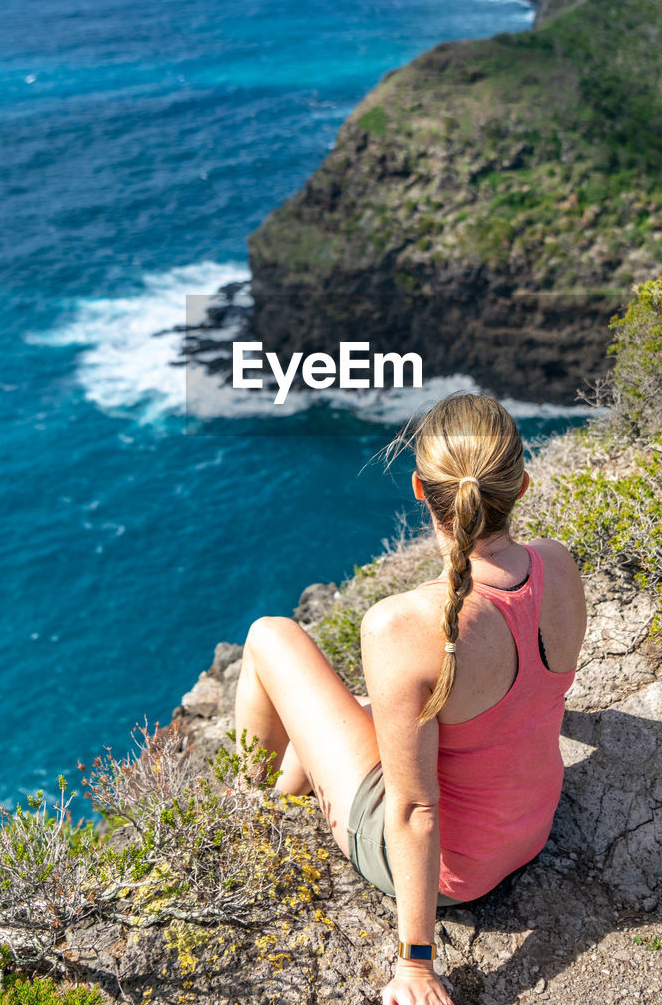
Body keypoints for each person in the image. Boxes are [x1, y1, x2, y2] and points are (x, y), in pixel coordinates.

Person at [234, 392, 587, 1005]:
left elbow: (415, 809)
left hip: (454, 872)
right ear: (522, 486)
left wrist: (416, 964)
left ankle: (244, 803)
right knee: (373, 707)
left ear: (421, 489)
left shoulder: (403, 625)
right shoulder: (558, 564)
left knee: (272, 636)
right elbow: (531, 693)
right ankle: (285, 791)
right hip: (530, 831)